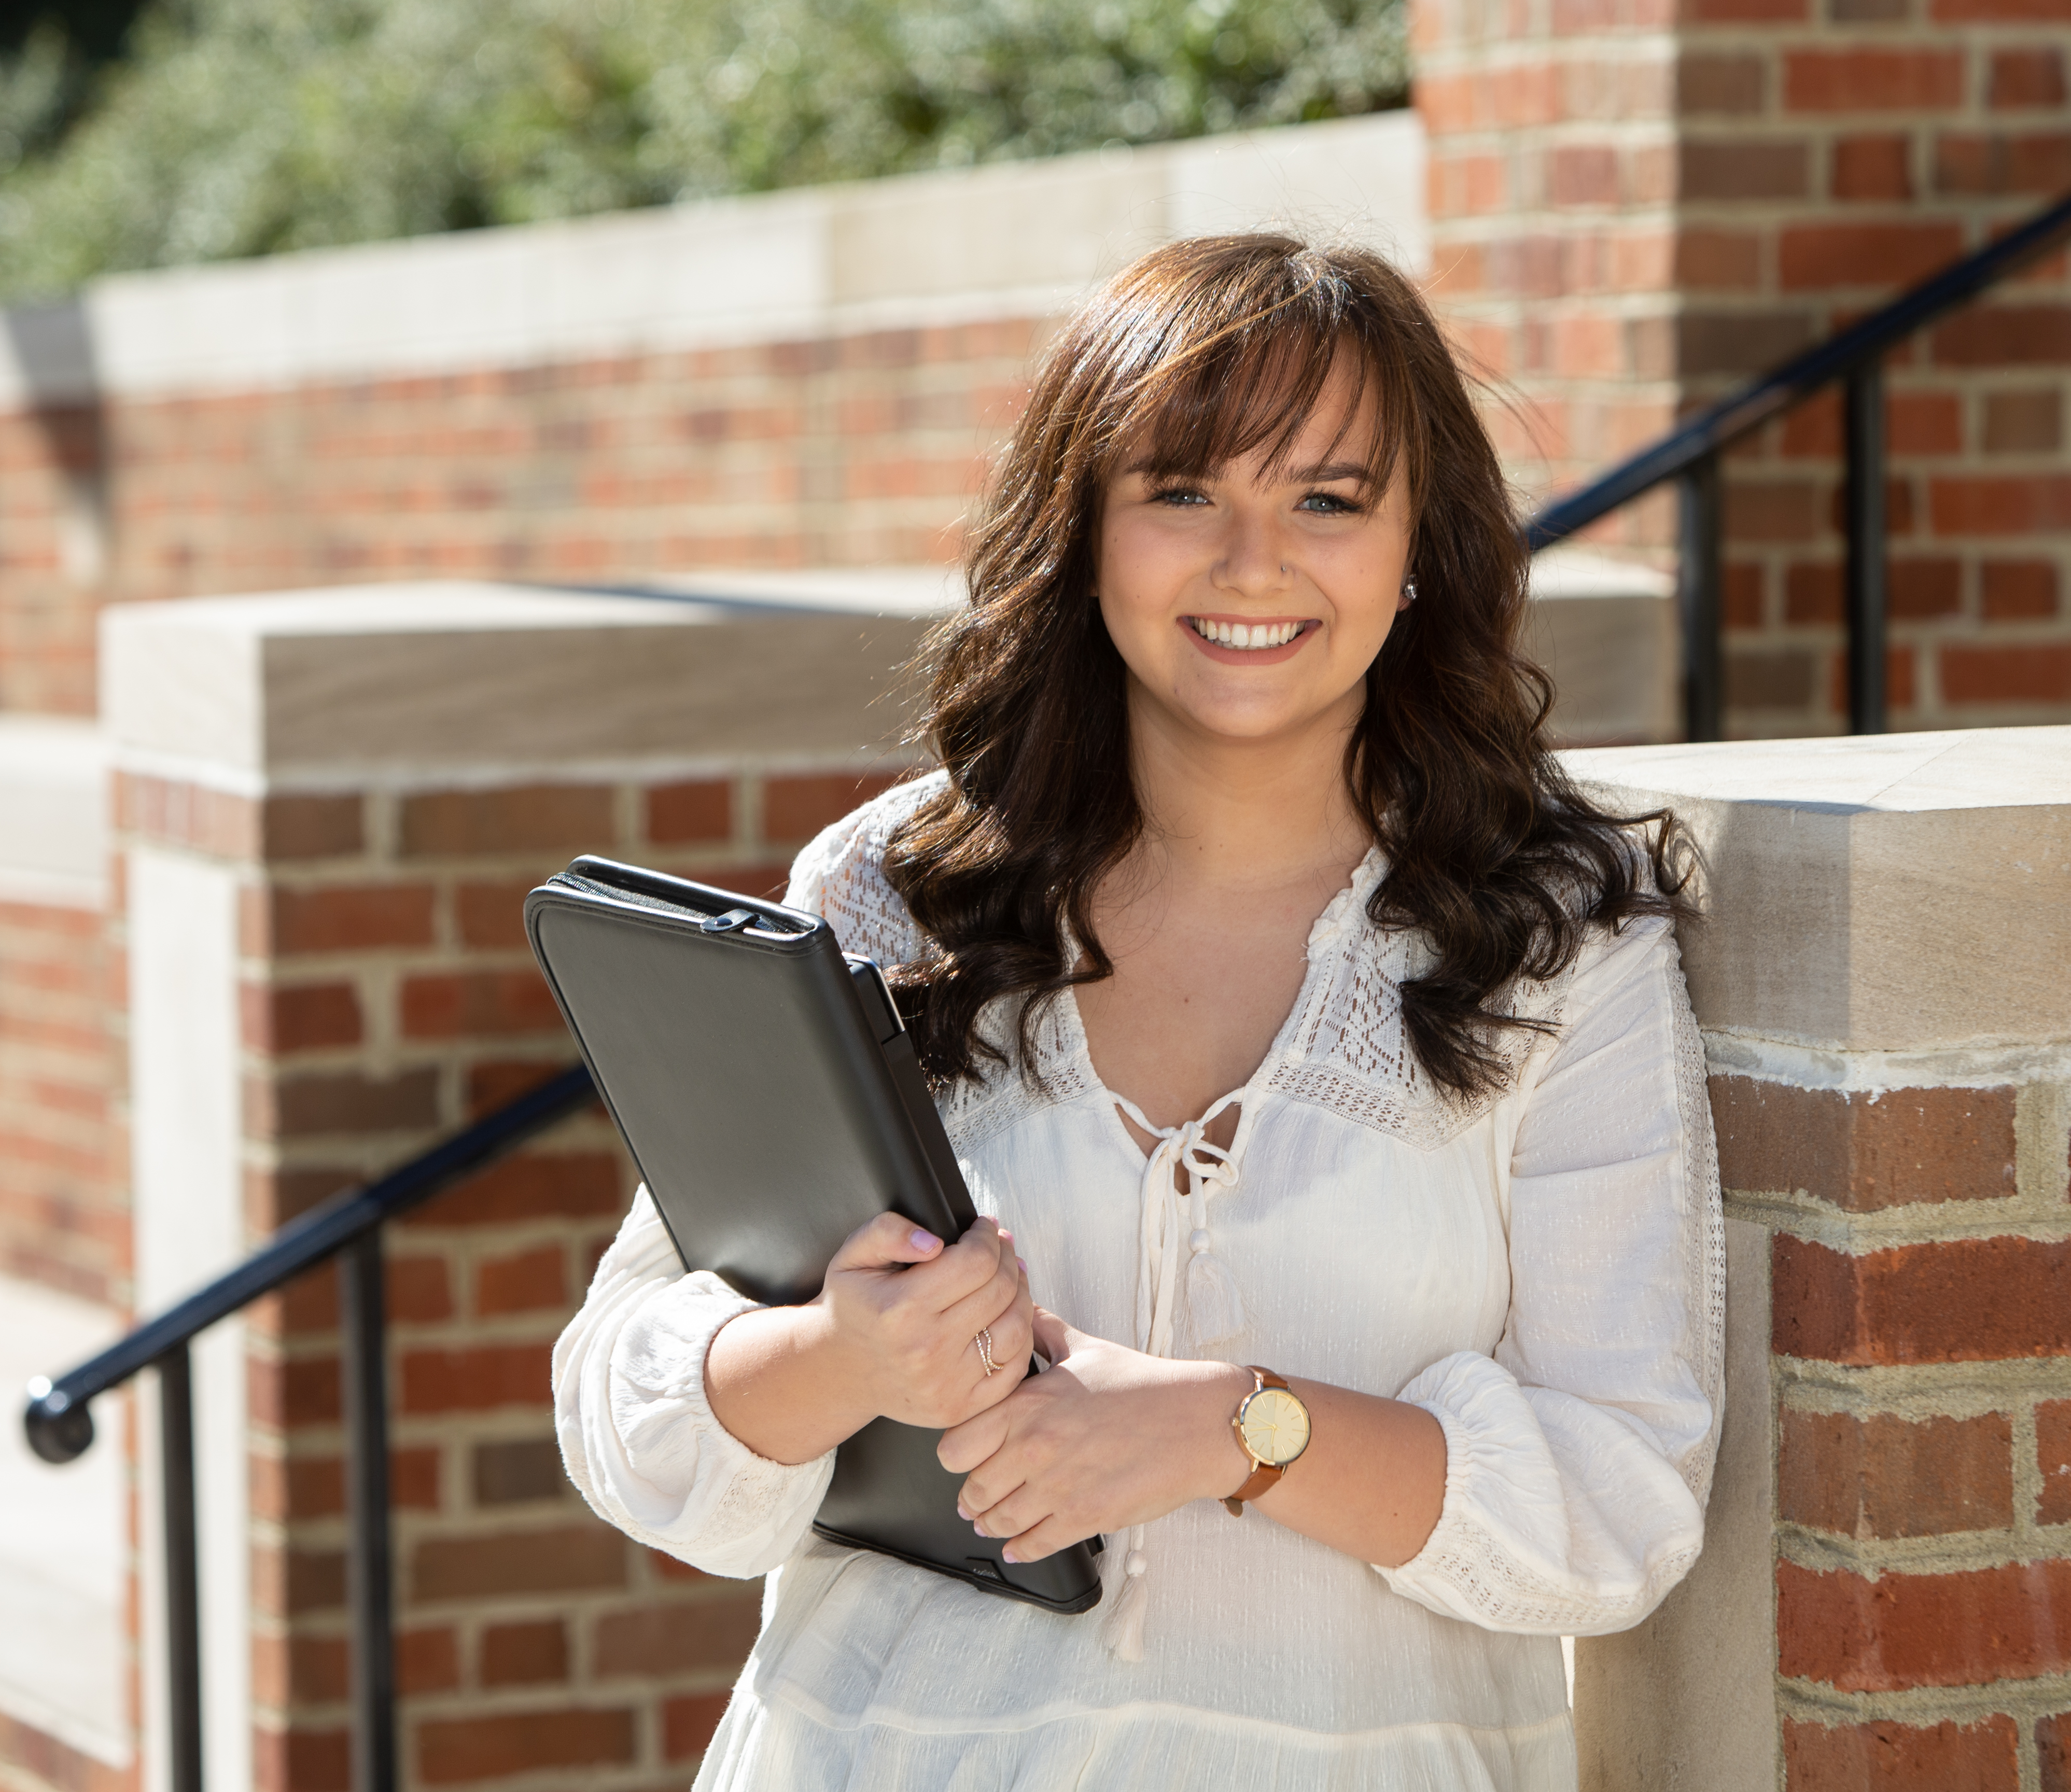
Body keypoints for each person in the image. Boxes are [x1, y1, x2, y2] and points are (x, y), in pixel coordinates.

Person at [553, 233, 1722, 1789]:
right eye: (1184, 491)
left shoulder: (1562, 947)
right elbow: (623, 1395)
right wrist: (848, 1356)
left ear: (1416, 546)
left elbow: (1620, 1498)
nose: (1255, 564)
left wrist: (1235, 1431)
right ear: (1086, 534)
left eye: (1328, 497)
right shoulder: (898, 890)